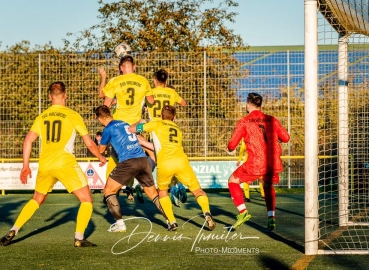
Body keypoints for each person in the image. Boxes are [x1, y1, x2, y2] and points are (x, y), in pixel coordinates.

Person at [0, 81, 107, 247]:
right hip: (65, 163)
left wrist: (26, 165)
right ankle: (79, 238)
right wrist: (100, 157)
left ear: (50, 97)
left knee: (37, 199)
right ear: (65, 95)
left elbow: (28, 141)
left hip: (45, 164)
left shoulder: (42, 116)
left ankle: (14, 229)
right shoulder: (72, 115)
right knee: (86, 200)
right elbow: (90, 144)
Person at [129, 105, 216, 231]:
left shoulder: (156, 124)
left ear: (161, 116)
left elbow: (132, 129)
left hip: (165, 163)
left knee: (163, 192)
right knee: (198, 191)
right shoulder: (177, 128)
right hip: (182, 162)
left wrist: (140, 123)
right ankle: (207, 212)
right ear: (174, 117)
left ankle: (172, 221)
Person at [94, 105, 169, 232]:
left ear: (100, 118)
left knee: (108, 191)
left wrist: (98, 147)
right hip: (143, 160)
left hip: (128, 162)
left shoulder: (108, 129)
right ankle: (169, 219)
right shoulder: (124, 123)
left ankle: (120, 224)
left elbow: (101, 150)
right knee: (153, 194)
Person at [226, 93, 290, 231]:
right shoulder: (271, 119)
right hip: (272, 161)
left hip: (256, 162)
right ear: (260, 105)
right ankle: (271, 217)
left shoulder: (244, 121)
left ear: (248, 104)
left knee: (232, 181)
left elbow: (232, 144)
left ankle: (243, 212)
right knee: (267, 185)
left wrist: (230, 148)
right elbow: (286, 137)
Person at [99, 55, 154, 202]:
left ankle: (109, 191)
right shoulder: (143, 81)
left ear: (121, 68)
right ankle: (130, 187)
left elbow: (106, 104)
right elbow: (151, 101)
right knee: (133, 156)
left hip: (118, 125)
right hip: (135, 126)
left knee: (115, 156)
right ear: (134, 67)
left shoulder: (116, 81)